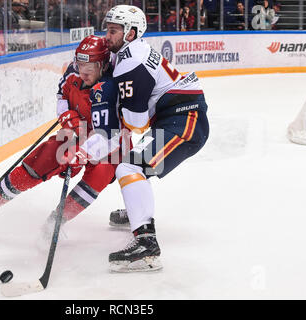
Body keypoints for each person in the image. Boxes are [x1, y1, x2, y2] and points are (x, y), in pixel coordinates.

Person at [0, 35, 118, 236]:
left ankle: (56, 221)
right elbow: (61, 96)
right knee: (42, 159)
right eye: (80, 65)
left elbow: (110, 134)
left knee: (100, 174)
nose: (83, 72)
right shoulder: (74, 73)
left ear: (104, 65)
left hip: (110, 139)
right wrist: (67, 117)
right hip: (76, 132)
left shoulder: (111, 87)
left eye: (89, 68)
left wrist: (82, 154)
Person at [102, 5, 210, 272]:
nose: (107, 36)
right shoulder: (129, 52)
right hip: (177, 115)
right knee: (134, 164)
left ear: (131, 33)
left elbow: (136, 123)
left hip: (184, 120)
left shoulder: (131, 64)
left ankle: (146, 245)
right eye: (107, 29)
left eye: (113, 30)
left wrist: (108, 130)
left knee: (129, 166)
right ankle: (138, 210)